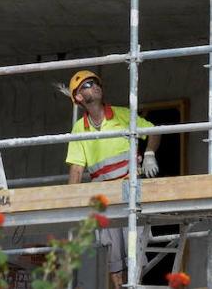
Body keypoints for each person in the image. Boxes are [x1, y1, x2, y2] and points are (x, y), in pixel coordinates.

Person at [65, 70, 160, 289]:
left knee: (134, 254)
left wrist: (149, 154)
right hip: (103, 197)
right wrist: (70, 203)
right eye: (87, 85)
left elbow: (155, 131)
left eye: (95, 83)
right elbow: (77, 170)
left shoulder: (121, 114)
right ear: (79, 97)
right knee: (113, 257)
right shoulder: (80, 129)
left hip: (129, 189)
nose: (94, 86)